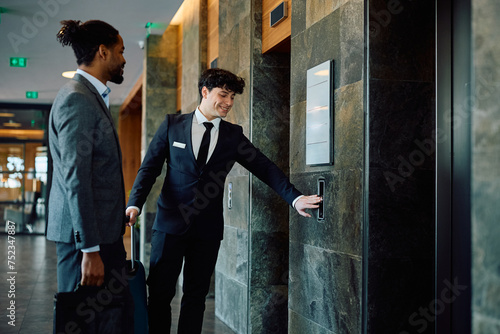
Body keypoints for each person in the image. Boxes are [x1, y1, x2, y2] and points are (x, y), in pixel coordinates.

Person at [126, 68, 322, 333]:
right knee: (160, 294)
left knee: (195, 297)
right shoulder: (172, 125)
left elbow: (264, 168)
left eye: (232, 97)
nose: (228, 103)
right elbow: (149, 169)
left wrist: (295, 197)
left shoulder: (232, 135)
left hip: (206, 231)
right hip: (169, 225)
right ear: (205, 92)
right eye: (223, 95)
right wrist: (135, 204)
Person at [47, 19, 130, 299]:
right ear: (103, 52)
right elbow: (75, 176)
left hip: (100, 237)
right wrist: (90, 249)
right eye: (120, 51)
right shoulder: (77, 98)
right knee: (82, 324)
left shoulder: (90, 95)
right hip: (87, 243)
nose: (124, 59)